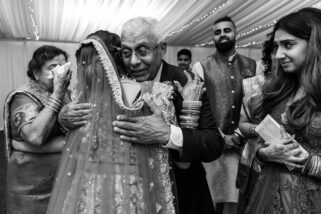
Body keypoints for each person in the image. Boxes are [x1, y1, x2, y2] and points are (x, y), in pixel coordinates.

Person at [58, 17, 224, 214]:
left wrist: (168, 135)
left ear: (162, 49)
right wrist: (64, 118)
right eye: (127, 53)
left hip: (184, 194)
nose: (134, 62)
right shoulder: (113, 81)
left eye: (143, 51)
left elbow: (213, 142)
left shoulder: (187, 81)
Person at [48, 30, 179, 214]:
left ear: (111, 61)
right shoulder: (81, 97)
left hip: (126, 191)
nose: (86, 70)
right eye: (83, 63)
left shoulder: (150, 93)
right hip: (85, 187)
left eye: (94, 62)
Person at [245, 7, 321, 213]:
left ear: (315, 43)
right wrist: (264, 154)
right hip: (271, 195)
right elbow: (260, 145)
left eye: (288, 45)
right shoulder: (279, 89)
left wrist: (309, 163)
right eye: (277, 46)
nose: (278, 55)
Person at [198, 16, 256, 214]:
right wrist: (222, 137)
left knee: (236, 203)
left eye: (227, 30)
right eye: (217, 32)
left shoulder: (253, 66)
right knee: (209, 200)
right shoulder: (201, 67)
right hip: (212, 148)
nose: (222, 34)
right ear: (213, 38)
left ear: (235, 33)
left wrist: (238, 135)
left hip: (242, 148)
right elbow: (198, 108)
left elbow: (256, 108)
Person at [3, 45, 71, 213]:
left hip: (61, 178)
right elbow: (34, 137)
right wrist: (57, 94)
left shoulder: (67, 93)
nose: (59, 72)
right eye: (52, 67)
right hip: (31, 187)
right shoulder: (23, 96)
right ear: (36, 73)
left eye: (63, 66)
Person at [236, 34, 276, 214]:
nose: (281, 55)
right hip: (254, 160)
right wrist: (262, 131)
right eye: (276, 49)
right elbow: (243, 124)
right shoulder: (253, 86)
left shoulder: (310, 87)